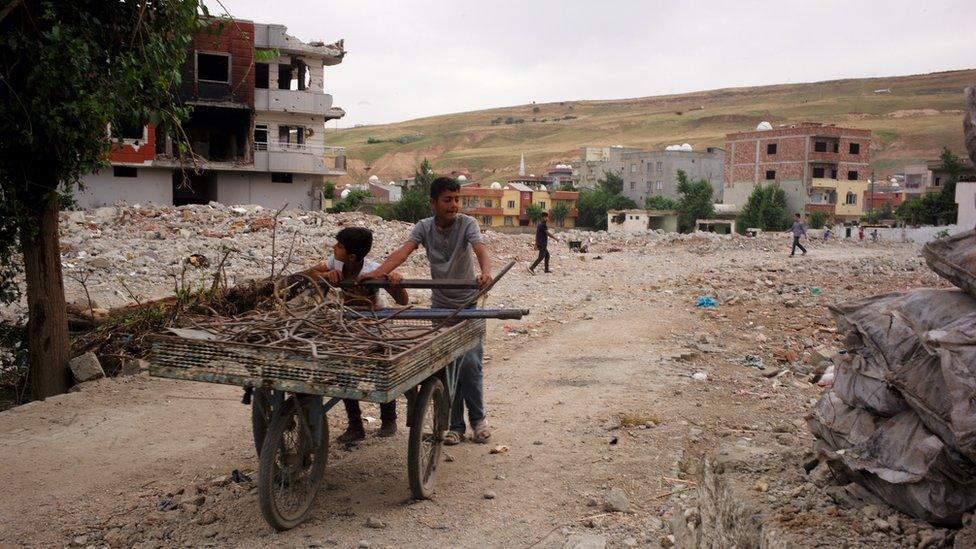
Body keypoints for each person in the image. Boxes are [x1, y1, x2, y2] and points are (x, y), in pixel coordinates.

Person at [359, 176, 493, 445]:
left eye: (456, 199)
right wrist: (377, 273)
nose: (454, 205)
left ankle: (478, 420)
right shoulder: (424, 227)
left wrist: (485, 273)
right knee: (447, 365)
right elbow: (403, 253)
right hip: (440, 306)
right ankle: (455, 425)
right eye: (447, 200)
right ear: (433, 203)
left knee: (470, 363)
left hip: (467, 305)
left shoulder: (467, 223)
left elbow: (480, 249)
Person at [310, 227, 408, 443]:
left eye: (339, 246)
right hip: (348, 326)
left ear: (352, 256)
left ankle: (389, 418)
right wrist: (327, 275)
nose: (334, 248)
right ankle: (355, 425)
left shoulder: (374, 270)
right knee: (344, 370)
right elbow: (311, 273)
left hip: (374, 325)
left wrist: (394, 280)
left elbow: (402, 301)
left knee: (383, 367)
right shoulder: (335, 263)